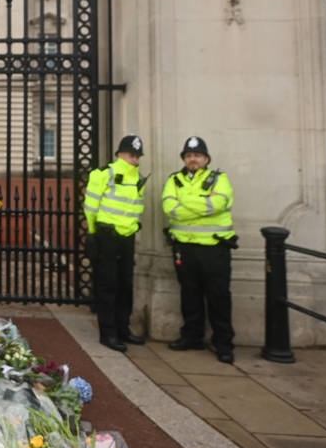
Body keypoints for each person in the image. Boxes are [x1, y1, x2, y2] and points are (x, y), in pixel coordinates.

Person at [162, 135, 236, 363]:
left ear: (206, 159)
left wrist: (185, 203)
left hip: (214, 248)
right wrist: (203, 203)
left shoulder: (219, 178)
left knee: (219, 297)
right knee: (189, 295)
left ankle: (223, 343)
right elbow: (169, 208)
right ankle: (192, 337)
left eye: (197, 155)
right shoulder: (174, 180)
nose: (193, 159)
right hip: (185, 248)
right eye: (189, 156)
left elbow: (219, 203)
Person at [84, 134, 148, 352]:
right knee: (108, 285)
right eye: (132, 155)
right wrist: (92, 233)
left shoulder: (137, 177)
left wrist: (133, 228)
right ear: (120, 154)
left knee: (125, 285)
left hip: (127, 237)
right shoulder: (104, 173)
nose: (135, 160)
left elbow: (135, 207)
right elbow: (90, 206)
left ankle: (123, 329)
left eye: (137, 156)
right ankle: (108, 332)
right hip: (107, 236)